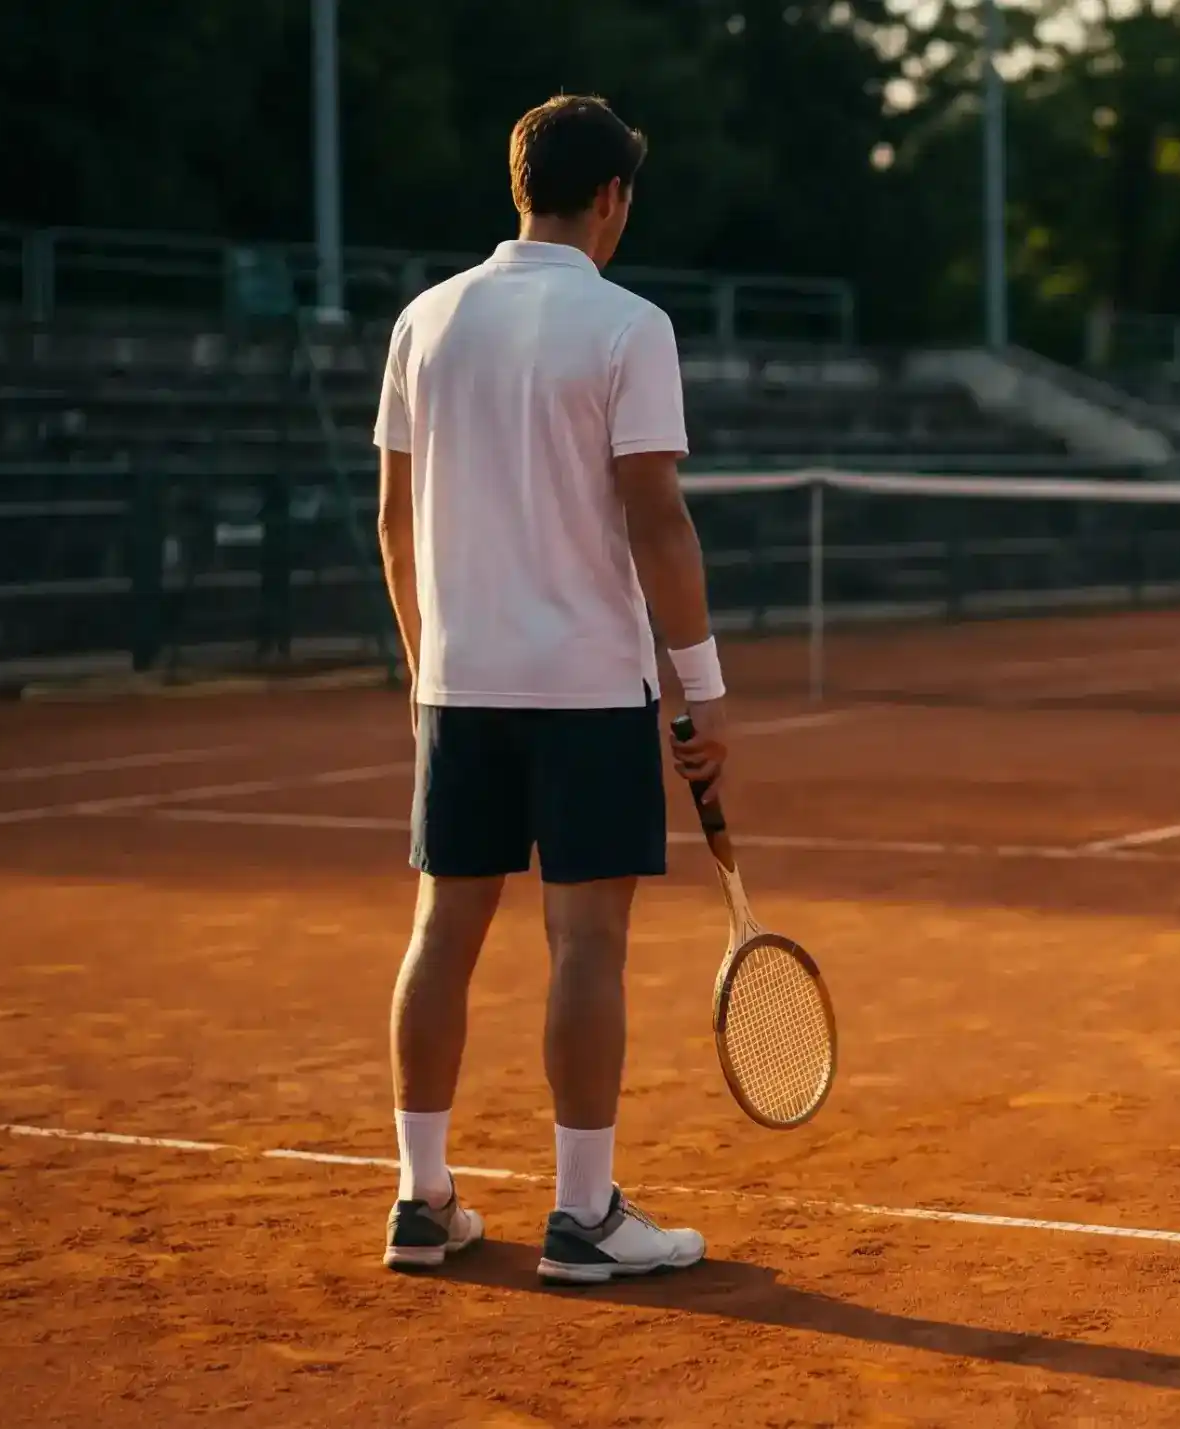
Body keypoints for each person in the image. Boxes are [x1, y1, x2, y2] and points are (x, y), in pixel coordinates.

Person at [371, 94, 732, 1283]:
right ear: (612, 199)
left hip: (460, 683)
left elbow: (391, 520)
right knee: (587, 942)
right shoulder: (629, 324)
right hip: (587, 686)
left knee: (442, 930)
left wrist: (432, 666)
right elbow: (657, 516)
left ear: (520, 187)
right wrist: (701, 689)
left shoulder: (425, 320)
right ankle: (582, 1217)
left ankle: (422, 1200)